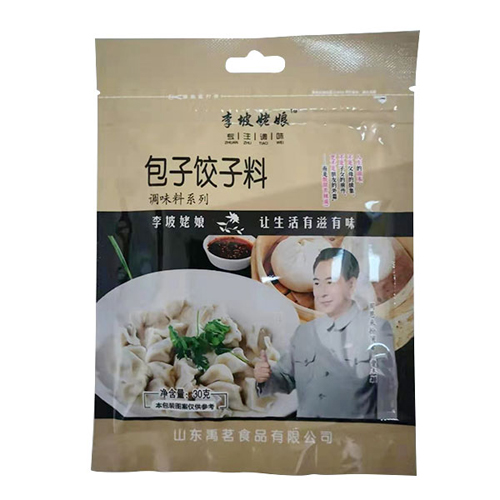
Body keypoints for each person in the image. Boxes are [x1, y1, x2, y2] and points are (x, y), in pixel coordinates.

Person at [254, 247, 398, 420]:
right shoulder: (304, 332)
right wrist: (265, 377)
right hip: (308, 431)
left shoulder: (375, 329)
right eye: (317, 283)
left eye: (330, 282)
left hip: (354, 432)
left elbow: (386, 388)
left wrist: (384, 429)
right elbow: (285, 379)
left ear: (351, 285)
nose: (322, 292)